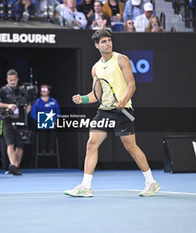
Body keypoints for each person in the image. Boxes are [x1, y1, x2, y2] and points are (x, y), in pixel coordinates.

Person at [64, 29, 160, 197]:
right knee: (91, 144)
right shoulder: (96, 68)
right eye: (103, 42)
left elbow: (132, 84)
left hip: (123, 110)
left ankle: (151, 182)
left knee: (130, 147)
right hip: (104, 111)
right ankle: (86, 186)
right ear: (96, 45)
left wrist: (123, 101)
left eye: (109, 40)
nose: (107, 44)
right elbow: (96, 95)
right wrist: (83, 99)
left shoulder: (122, 59)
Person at [0, 69, 31, 175]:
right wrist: (8, 105)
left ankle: (16, 166)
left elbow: (29, 102)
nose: (12, 82)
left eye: (14, 80)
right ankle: (12, 164)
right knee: (10, 143)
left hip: (21, 120)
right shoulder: (3, 90)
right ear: (7, 80)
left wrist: (28, 107)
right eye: (10, 80)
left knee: (20, 145)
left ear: (17, 79)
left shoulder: (22, 91)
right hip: (7, 120)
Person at [30, 84, 61, 153]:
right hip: (40, 122)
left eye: (45, 89)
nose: (44, 91)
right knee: (42, 132)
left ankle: (51, 149)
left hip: (51, 122)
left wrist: (55, 119)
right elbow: (33, 113)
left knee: (53, 131)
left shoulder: (54, 101)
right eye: (42, 90)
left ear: (49, 91)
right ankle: (43, 149)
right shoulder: (37, 101)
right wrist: (39, 120)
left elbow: (58, 112)